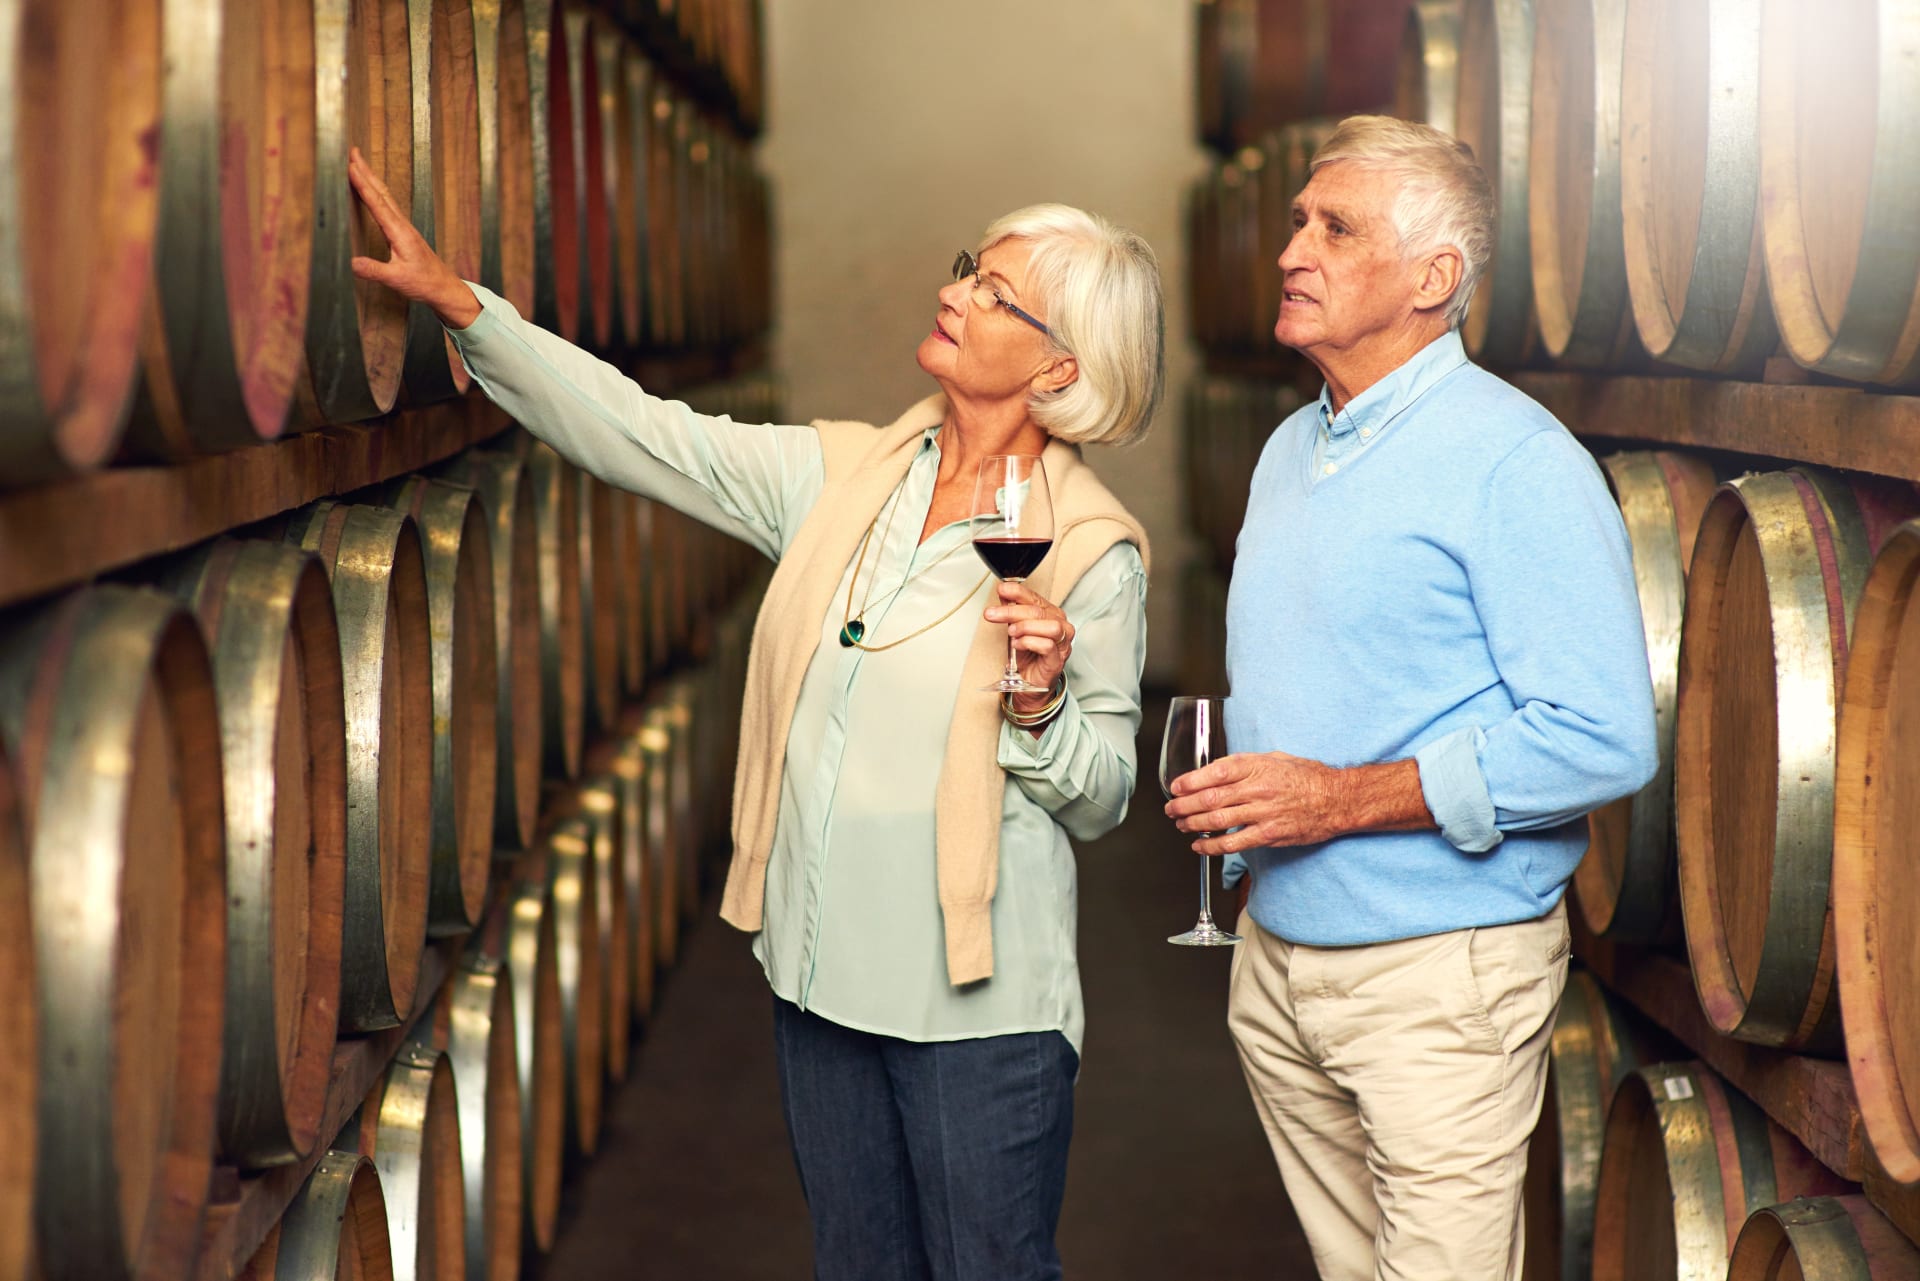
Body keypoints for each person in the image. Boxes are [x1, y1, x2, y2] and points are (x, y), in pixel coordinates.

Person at [344, 149, 1163, 1280]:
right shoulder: (844, 477)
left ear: (1061, 366)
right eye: (971, 267)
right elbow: (642, 434)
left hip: (974, 1017)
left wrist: (1042, 699)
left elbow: (1104, 795)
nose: (958, 290)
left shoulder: (1089, 551)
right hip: (819, 975)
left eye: (995, 292)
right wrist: (470, 316)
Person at [1163, 115, 1657, 1281]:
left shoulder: (1515, 462)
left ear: (1435, 278)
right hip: (1281, 961)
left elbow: (1602, 739)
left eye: (1335, 227)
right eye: (1296, 221)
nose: (1293, 250)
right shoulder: (1291, 446)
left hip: (1438, 978)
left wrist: (1337, 802)